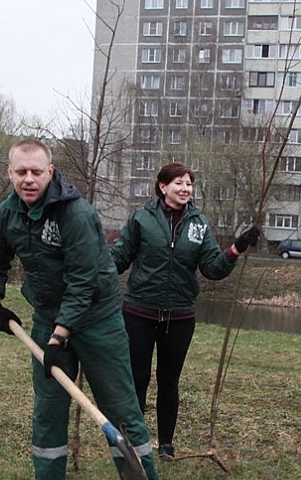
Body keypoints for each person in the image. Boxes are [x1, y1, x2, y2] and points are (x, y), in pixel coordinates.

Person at [0, 138, 176, 480]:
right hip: (47, 317)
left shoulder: (76, 214)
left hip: (96, 319)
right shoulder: (8, 214)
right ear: (10, 174)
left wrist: (59, 338)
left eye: (37, 171)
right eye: (21, 172)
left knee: (121, 408)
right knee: (49, 411)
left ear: (50, 172)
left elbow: (84, 281)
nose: (29, 179)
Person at [111, 162, 259, 460]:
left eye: (189, 183)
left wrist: (236, 248)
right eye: (179, 183)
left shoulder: (198, 224)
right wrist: (91, 268)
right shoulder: (142, 218)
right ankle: (136, 444)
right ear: (163, 186)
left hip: (179, 316)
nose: (185, 188)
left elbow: (213, 268)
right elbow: (118, 259)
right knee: (137, 379)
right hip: (139, 311)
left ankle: (166, 446)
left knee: (169, 381)